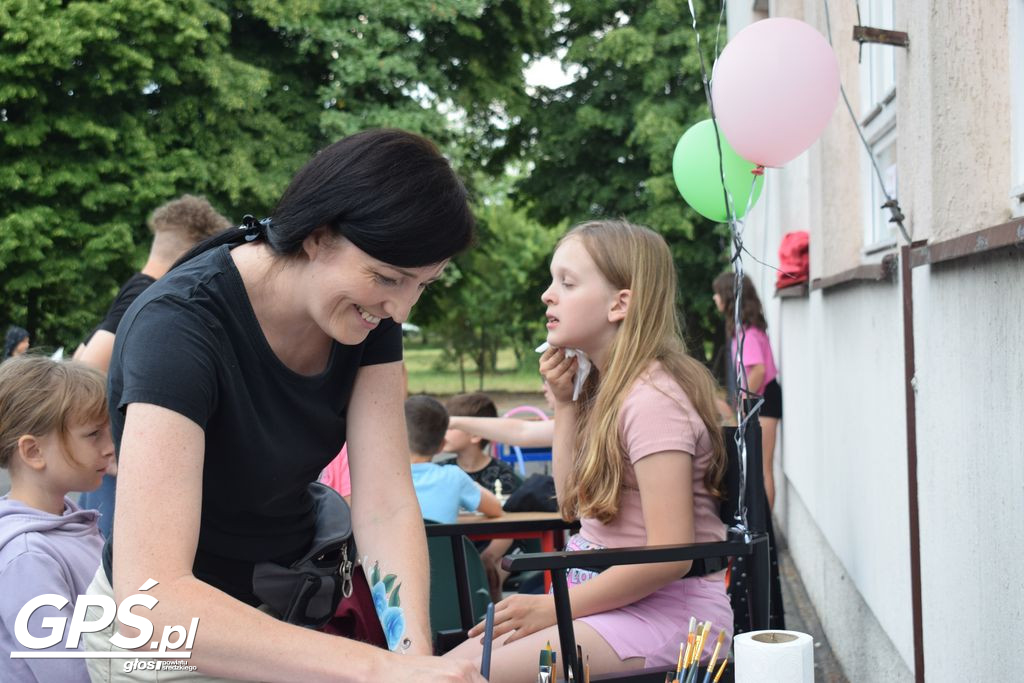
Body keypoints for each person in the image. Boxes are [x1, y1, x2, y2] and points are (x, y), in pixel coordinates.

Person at [81, 129, 485, 682]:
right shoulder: (179, 327)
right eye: (388, 277)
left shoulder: (365, 314)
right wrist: (378, 670)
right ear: (317, 236)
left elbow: (386, 504)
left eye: (423, 284)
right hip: (173, 637)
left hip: (288, 612)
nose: (400, 307)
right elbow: (153, 599)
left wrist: (412, 660)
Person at [447, 220, 733, 682]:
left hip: (669, 618)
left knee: (456, 675)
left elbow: (671, 555)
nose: (547, 294)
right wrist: (566, 404)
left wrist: (551, 608)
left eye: (567, 282)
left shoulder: (653, 402)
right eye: (551, 280)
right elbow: (571, 506)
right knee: (439, 670)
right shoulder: (606, 391)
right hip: (606, 607)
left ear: (620, 304)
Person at [76, 195, 230, 537]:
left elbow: (78, 357)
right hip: (119, 477)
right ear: (192, 252)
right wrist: (116, 444)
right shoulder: (149, 296)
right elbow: (83, 373)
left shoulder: (135, 288)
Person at [0, 355, 115, 683]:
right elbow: (69, 671)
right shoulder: (27, 557)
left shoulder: (69, 521)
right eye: (94, 434)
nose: (110, 447)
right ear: (33, 452)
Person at [438, 392, 523, 599]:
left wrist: (489, 555)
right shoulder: (441, 471)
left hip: (497, 549)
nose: (442, 432)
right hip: (457, 548)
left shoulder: (503, 474)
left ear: (475, 435)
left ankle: (492, 620)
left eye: (450, 427)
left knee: (488, 572)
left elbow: (510, 524)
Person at [712, 272, 782, 510]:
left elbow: (758, 372)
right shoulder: (745, 330)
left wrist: (740, 405)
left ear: (728, 296)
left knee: (762, 468)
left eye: (717, 293)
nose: (714, 298)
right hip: (761, 399)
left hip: (763, 400)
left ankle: (766, 532)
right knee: (760, 467)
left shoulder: (748, 334)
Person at [406, 395, 502, 524]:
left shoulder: (382, 480)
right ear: (442, 445)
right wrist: (472, 486)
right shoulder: (454, 477)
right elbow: (496, 509)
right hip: (442, 544)